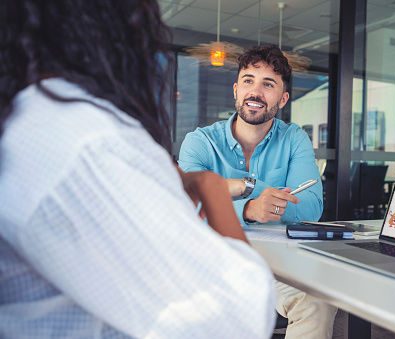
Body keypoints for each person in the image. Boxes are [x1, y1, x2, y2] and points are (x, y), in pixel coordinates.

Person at [0, 1, 276, 338]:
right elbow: (235, 317)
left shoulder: (29, 120)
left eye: (268, 84)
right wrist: (216, 192)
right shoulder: (90, 140)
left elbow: (307, 205)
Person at [179, 45, 337, 339]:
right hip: (211, 259)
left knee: (317, 299)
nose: (256, 92)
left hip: (279, 263)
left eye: (268, 84)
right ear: (236, 90)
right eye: (249, 81)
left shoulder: (294, 139)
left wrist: (242, 189)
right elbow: (183, 208)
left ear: (283, 98)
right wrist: (250, 208)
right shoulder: (200, 142)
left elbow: (311, 206)